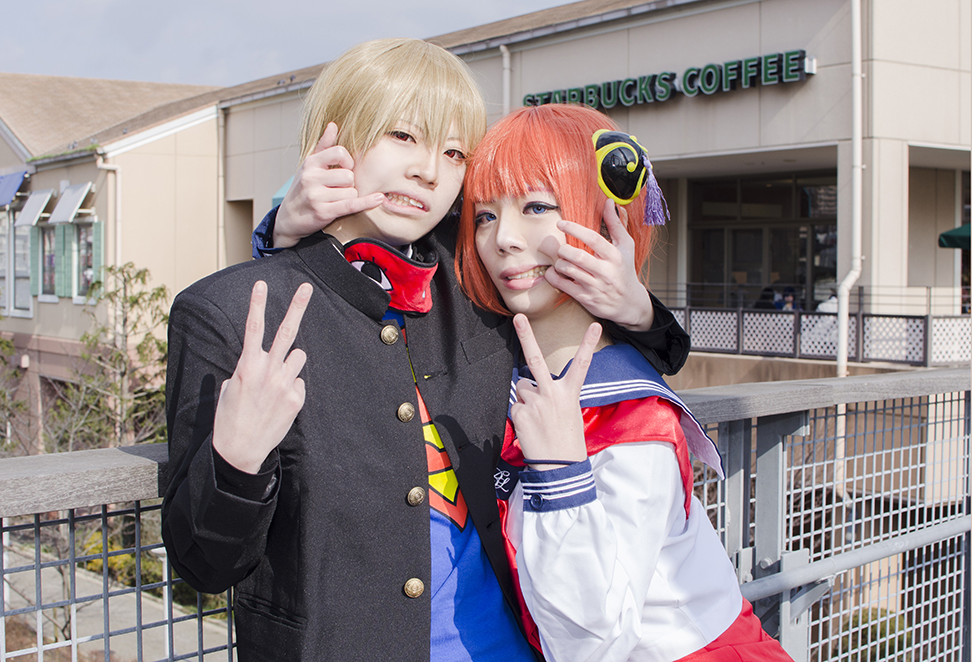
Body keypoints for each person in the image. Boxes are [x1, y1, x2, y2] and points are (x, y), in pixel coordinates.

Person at [162, 39, 690, 661]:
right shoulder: (227, 312)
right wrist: (236, 459)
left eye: (454, 152)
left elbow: (623, 340)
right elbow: (204, 566)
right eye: (403, 136)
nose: (429, 171)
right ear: (335, 136)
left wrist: (636, 307)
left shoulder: (472, 282)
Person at [455, 103, 793, 661]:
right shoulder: (509, 358)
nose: (503, 238)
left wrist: (560, 473)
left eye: (537, 207)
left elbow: (593, 644)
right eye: (486, 215)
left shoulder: (629, 419)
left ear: (606, 223)